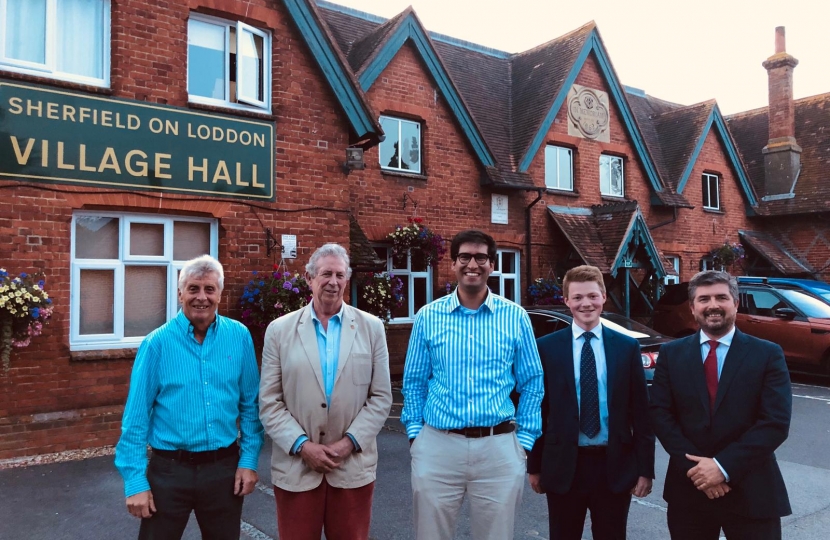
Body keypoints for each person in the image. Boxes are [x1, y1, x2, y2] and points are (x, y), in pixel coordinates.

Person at [401, 229, 544, 540]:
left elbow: (533, 381)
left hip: (499, 447)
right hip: (438, 445)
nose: (472, 264)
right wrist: (416, 435)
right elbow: (413, 381)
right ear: (453, 263)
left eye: (481, 257)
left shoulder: (515, 317)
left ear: (492, 264)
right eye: (464, 256)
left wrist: (525, 441)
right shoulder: (429, 316)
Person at [115, 254, 264, 540]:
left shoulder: (240, 337)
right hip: (169, 472)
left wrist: (248, 461)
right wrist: (134, 482)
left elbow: (250, 406)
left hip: (223, 471)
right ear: (180, 292)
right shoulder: (156, 344)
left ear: (220, 293)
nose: (202, 297)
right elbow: (135, 418)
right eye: (193, 288)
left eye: (209, 289)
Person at [259, 243, 392, 540]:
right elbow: (269, 402)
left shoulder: (371, 329)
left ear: (347, 279)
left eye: (340, 275)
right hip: (296, 466)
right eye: (325, 274)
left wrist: (349, 443)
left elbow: (381, 397)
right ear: (309, 278)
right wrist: (303, 446)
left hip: (352, 465)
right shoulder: (279, 331)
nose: (333, 281)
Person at [650, 270, 792, 540]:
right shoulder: (671, 354)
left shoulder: (768, 354)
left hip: (752, 489)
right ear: (693, 308)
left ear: (735, 304)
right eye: (703, 299)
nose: (712, 305)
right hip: (690, 490)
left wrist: (722, 467)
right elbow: (661, 414)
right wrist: (699, 472)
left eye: (721, 297)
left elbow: (774, 423)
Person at [527, 265, 654, 540]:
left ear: (604, 297)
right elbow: (539, 410)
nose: (586, 303)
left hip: (613, 465)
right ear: (566, 301)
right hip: (564, 465)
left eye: (593, 296)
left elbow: (641, 413)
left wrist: (645, 470)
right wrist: (534, 466)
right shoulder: (547, 347)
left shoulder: (626, 346)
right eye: (578, 297)